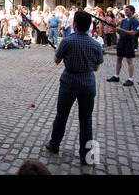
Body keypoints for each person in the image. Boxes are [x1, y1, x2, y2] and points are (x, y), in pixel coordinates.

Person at [45, 11, 104, 165]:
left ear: (75, 24)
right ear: (90, 25)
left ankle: (54, 144)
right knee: (86, 120)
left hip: (69, 82)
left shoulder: (67, 41)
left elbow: (57, 60)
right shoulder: (96, 44)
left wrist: (56, 53)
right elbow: (96, 68)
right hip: (87, 82)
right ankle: (85, 154)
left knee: (62, 115)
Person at [107, 5, 139, 87]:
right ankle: (116, 76)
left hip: (129, 41)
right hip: (121, 41)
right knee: (119, 58)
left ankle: (130, 79)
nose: (125, 12)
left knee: (129, 60)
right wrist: (117, 30)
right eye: (125, 10)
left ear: (132, 11)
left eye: (127, 10)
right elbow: (120, 32)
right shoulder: (124, 21)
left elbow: (132, 32)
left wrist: (121, 30)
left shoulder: (134, 21)